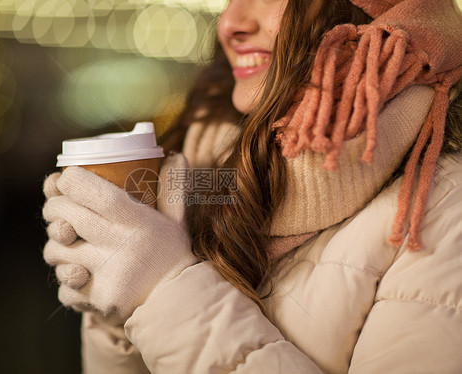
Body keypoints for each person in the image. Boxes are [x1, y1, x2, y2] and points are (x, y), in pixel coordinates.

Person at [42, 0, 462, 372]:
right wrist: (119, 305)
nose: (229, 23)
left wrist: (165, 293)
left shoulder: (445, 205)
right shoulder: (206, 150)